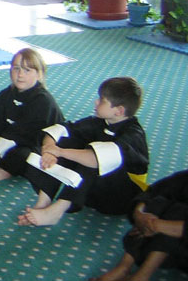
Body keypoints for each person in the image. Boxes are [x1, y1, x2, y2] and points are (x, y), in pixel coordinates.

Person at [18, 77, 149, 227]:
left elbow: (95, 160)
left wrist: (60, 152)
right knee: (69, 141)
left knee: (94, 158)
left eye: (102, 100)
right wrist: (50, 149)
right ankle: (43, 204)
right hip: (91, 193)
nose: (96, 102)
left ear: (119, 111)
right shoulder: (99, 122)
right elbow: (63, 129)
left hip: (120, 198)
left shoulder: (133, 135)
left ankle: (56, 211)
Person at [0, 48, 63, 181]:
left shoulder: (42, 101)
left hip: (32, 143)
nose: (20, 75)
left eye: (27, 70)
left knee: (22, 154)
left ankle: (3, 170)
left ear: (39, 74)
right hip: (6, 138)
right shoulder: (4, 96)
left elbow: (18, 136)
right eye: (16, 68)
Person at [89, 169, 188, 281]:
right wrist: (139, 214)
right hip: (171, 249)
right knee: (158, 203)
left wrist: (157, 225)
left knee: (179, 211)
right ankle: (123, 267)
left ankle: (142, 275)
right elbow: (153, 192)